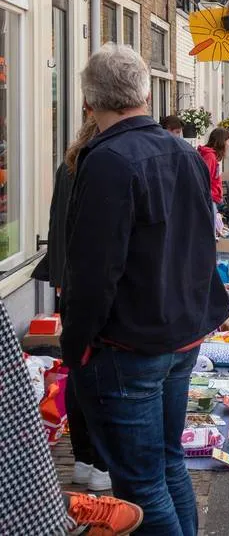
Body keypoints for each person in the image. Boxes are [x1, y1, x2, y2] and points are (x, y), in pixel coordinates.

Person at [63, 44, 229, 536]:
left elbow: (94, 268)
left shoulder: (107, 160)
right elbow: (200, 244)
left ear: (89, 101)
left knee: (140, 482)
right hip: (180, 335)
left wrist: (77, 345)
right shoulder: (185, 153)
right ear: (145, 94)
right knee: (168, 464)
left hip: (129, 344)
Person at [0, 298, 147, 536]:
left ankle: (83, 466)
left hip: (90, 323)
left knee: (82, 384)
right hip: (110, 331)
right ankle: (94, 472)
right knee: (102, 391)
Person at [34, 119, 111, 493]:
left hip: (71, 284)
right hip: (97, 286)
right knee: (103, 375)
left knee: (79, 371)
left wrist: (61, 277)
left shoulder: (69, 165)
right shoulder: (106, 166)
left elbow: (57, 223)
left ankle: (83, 460)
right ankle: (100, 463)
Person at [197, 127, 229, 208]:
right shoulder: (210, 157)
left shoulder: (210, 155)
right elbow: (203, 180)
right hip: (211, 200)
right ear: (222, 142)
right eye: (228, 141)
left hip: (212, 198)